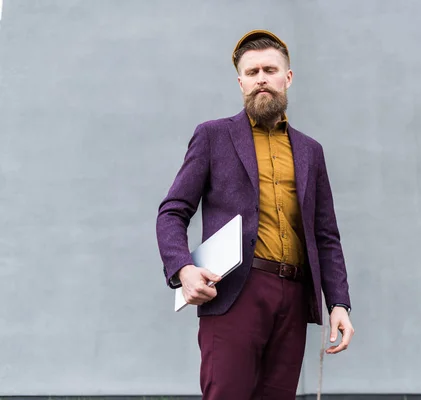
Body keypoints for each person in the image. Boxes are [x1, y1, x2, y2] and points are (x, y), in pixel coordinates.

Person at [156, 29, 354, 400]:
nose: (261, 78)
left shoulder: (311, 151)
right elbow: (172, 211)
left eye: (269, 69)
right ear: (240, 82)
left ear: (288, 78)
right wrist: (183, 269)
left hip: (294, 297)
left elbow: (326, 234)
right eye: (251, 73)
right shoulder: (213, 136)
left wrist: (338, 302)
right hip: (235, 292)